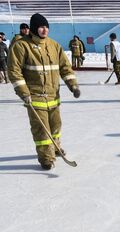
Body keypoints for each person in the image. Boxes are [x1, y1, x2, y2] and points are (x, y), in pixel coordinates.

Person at [8, 13, 80, 170]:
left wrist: (73, 85)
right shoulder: (21, 46)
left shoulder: (54, 45)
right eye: (41, 27)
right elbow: (14, 72)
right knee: (42, 129)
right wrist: (24, 93)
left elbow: (64, 67)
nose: (44, 30)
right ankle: (46, 158)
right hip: (35, 96)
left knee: (55, 126)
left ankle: (55, 147)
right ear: (34, 28)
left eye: (46, 27)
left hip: (53, 95)